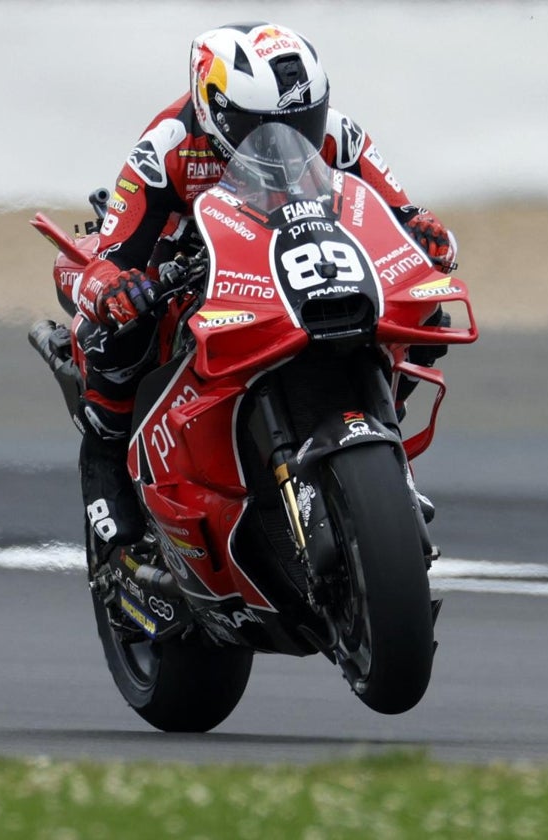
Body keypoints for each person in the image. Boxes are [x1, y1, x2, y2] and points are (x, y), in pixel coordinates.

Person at [33, 22, 455, 550]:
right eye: (263, 125)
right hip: (193, 265)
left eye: (304, 119)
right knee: (119, 327)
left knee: (425, 308)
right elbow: (110, 254)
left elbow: (402, 213)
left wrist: (426, 235)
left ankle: (381, 438)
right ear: (215, 109)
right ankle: (106, 459)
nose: (290, 137)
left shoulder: (339, 135)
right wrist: (118, 288)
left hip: (298, 258)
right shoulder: (167, 146)